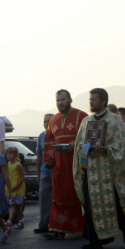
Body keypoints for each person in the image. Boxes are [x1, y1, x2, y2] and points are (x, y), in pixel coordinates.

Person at [72, 88, 125, 249]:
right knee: (91, 205)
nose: (90, 102)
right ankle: (95, 241)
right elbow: (78, 146)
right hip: (90, 171)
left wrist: (107, 149)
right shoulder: (86, 121)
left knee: (115, 202)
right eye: (90, 100)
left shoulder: (115, 120)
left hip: (110, 170)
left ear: (103, 102)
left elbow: (123, 145)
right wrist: (85, 149)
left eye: (94, 100)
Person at [43, 89, 88, 240]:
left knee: (78, 194)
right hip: (59, 167)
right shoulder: (53, 119)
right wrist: (50, 159)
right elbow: (49, 142)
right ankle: (58, 229)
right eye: (58, 100)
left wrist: (76, 143)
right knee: (59, 196)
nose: (60, 103)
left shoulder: (81, 116)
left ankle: (84, 227)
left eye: (63, 100)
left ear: (70, 100)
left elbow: (89, 138)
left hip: (76, 165)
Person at [34, 113, 54, 233]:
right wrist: (38, 174)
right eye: (45, 121)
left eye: (49, 121)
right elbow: (39, 156)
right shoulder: (41, 136)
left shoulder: (58, 135)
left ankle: (56, 225)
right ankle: (43, 224)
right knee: (43, 198)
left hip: (57, 173)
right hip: (45, 172)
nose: (46, 124)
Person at [5, 146, 26, 229]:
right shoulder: (8, 164)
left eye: (11, 154)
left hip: (17, 188)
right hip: (10, 187)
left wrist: (15, 186)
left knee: (13, 205)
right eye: (7, 154)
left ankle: (9, 221)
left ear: (16, 155)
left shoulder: (18, 165)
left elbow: (22, 177)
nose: (8, 155)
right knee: (16, 206)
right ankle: (21, 221)